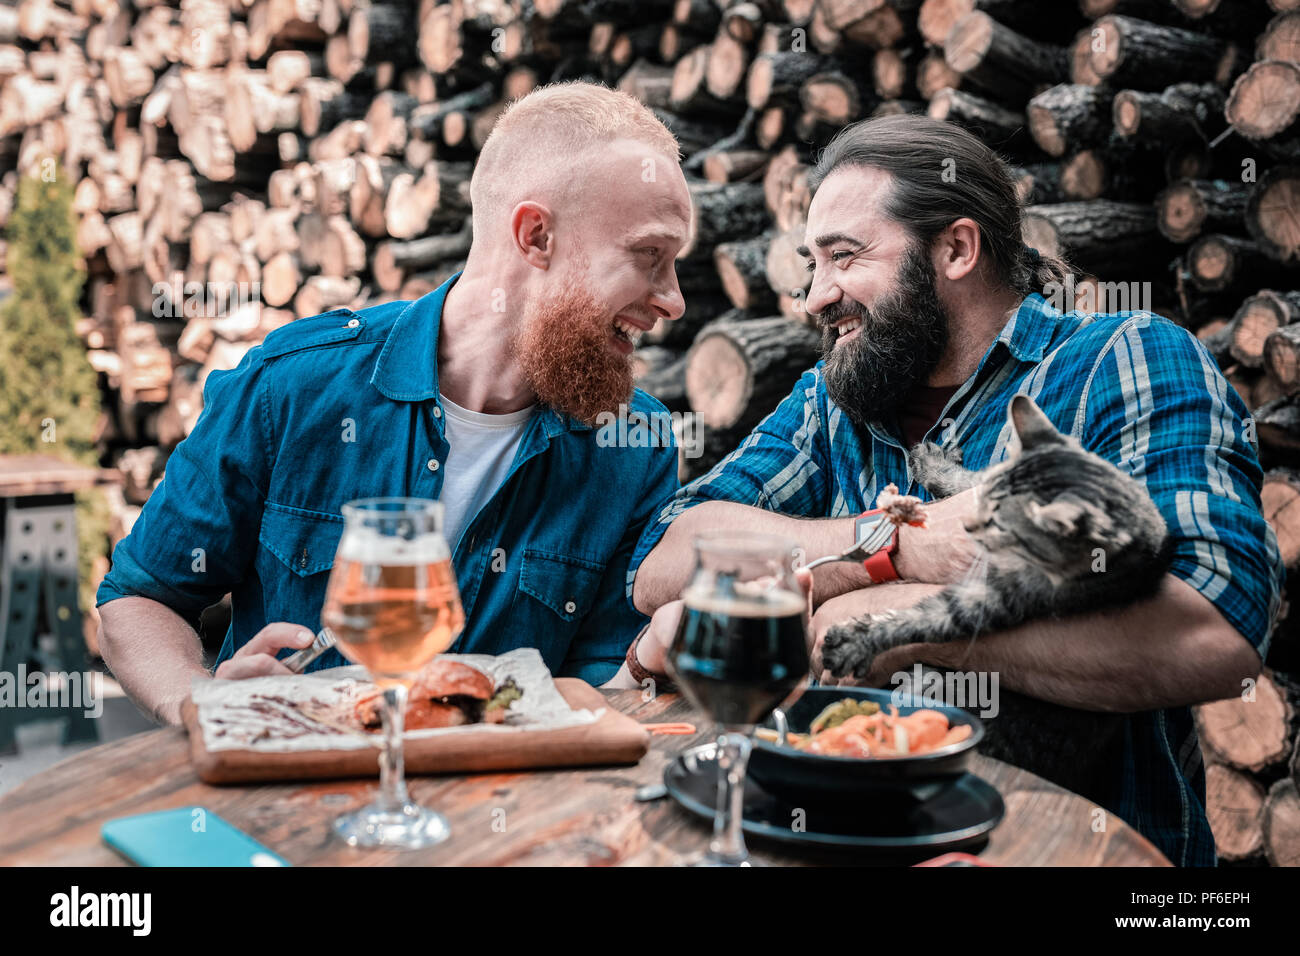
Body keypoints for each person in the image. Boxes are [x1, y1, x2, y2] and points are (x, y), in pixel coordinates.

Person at [628, 114, 1284, 866]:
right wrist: (893, 547)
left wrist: (887, 619)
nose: (815, 295)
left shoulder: (1123, 357)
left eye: (843, 257)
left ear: (957, 248)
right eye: (812, 264)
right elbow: (666, 557)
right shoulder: (829, 401)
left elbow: (1216, 631)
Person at [97, 81, 692, 724]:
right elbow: (139, 598)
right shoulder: (294, 386)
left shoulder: (634, 444)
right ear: (535, 236)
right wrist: (199, 700)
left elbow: (597, 692)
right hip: (282, 806)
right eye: (649, 256)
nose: (675, 299)